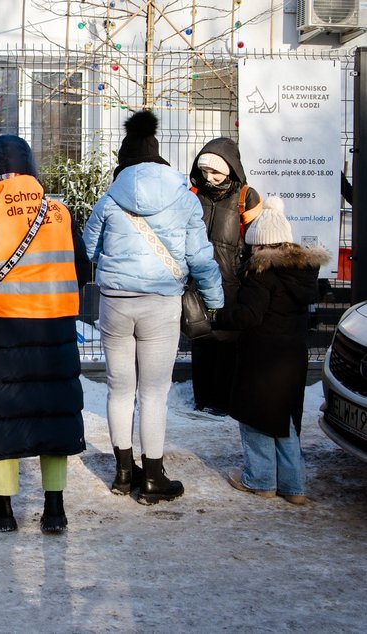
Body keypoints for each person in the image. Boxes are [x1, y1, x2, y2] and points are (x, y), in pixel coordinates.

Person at [0, 134, 91, 534]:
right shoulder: (60, 212)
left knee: (2, 413)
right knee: (54, 412)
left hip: (3, 330)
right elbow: (82, 269)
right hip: (56, 327)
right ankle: (55, 509)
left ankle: (2, 507)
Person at [82, 110, 223, 505]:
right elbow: (200, 257)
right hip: (161, 303)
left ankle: (124, 473)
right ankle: (154, 476)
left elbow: (86, 249)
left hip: (115, 303)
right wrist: (214, 301)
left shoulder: (109, 198)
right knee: (155, 392)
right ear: (159, 157)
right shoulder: (184, 198)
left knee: (120, 388)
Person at [213, 197, 329, 505]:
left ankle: (260, 479)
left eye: (252, 247)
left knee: (255, 418)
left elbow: (249, 316)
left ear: (261, 245)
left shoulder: (261, 273)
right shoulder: (302, 273)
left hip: (261, 358)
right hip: (292, 358)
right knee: (283, 420)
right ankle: (293, 486)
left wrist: (217, 316)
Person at [188, 138, 263, 415]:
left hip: (232, 282)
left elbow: (257, 241)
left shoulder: (246, 197)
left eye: (216, 172)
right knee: (201, 340)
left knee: (227, 342)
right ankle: (202, 399)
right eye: (204, 171)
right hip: (197, 282)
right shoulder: (194, 194)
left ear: (230, 170)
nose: (209, 178)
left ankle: (222, 401)